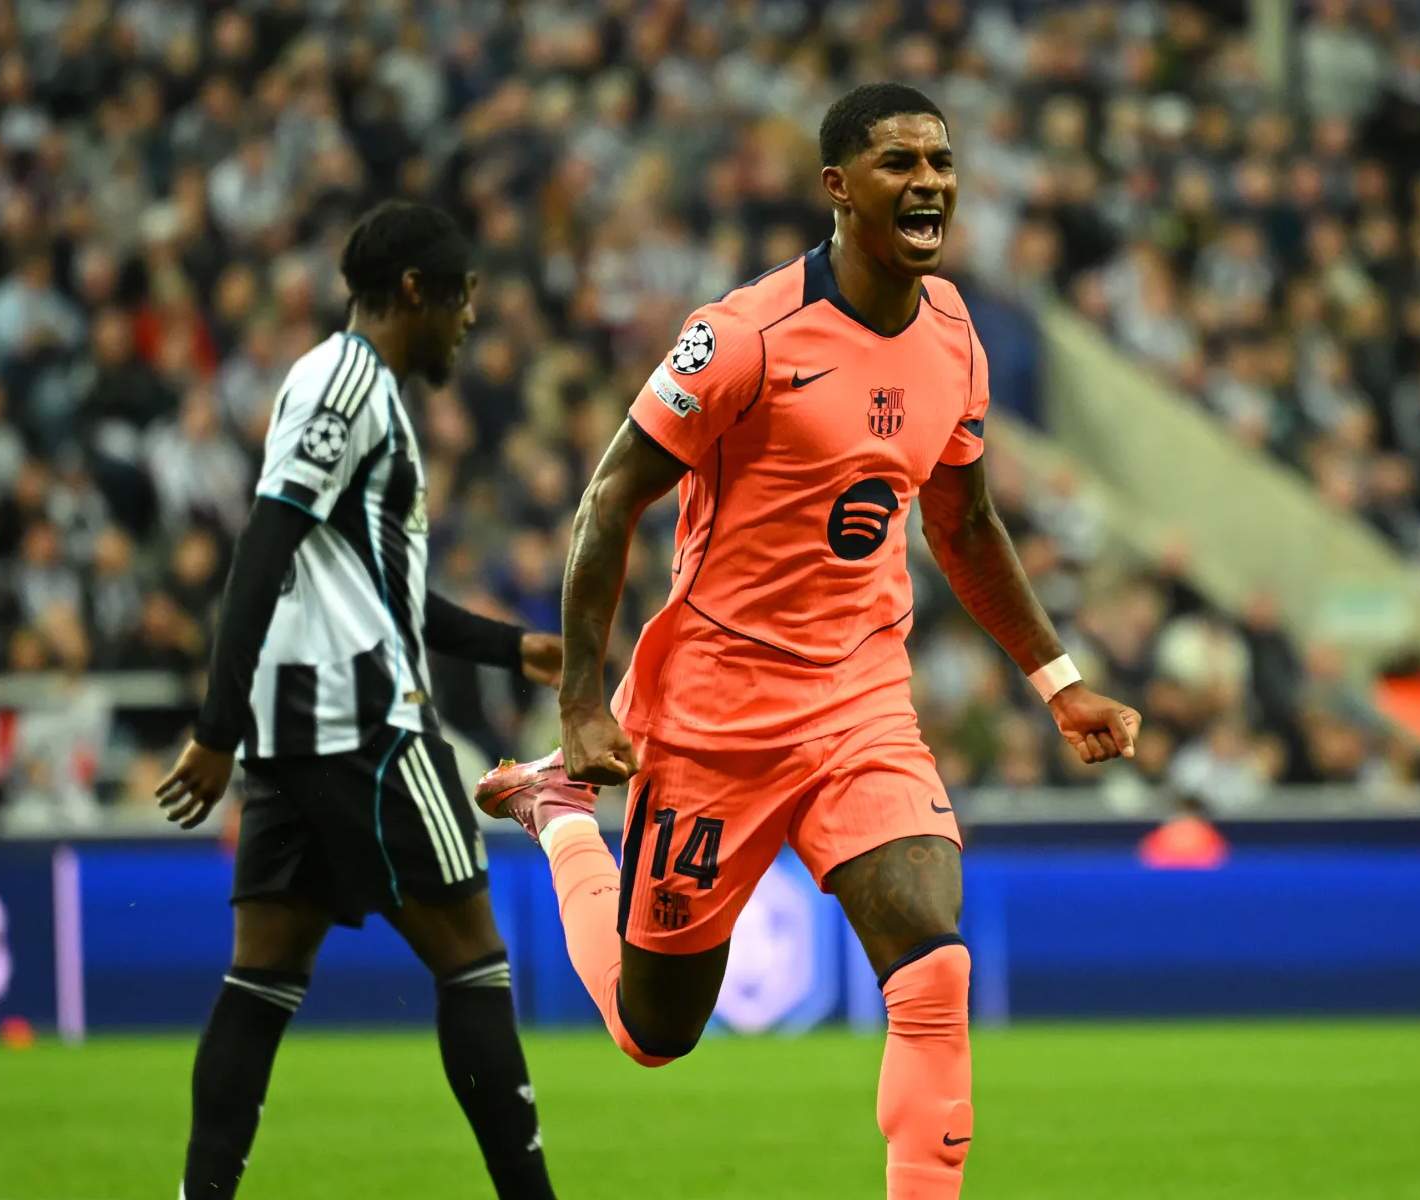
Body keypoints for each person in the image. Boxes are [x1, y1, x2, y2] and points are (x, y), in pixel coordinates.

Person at [476, 84, 1140, 1198]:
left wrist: (1058, 681)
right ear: (837, 187)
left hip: (860, 701)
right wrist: (582, 705)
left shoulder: (953, 334)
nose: (928, 182)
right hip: (716, 711)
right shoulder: (743, 336)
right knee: (654, 1031)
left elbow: (965, 524)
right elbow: (607, 500)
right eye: (898, 163)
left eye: (940, 161)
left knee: (932, 957)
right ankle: (559, 818)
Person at [153, 201, 562, 1199]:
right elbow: (262, 548)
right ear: (415, 291)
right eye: (462, 296)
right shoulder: (347, 385)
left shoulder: (351, 389)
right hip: (368, 725)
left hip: (295, 733)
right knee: (472, 959)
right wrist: (212, 728)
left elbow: (383, 589)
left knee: (261, 978)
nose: (470, 318)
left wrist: (511, 648)